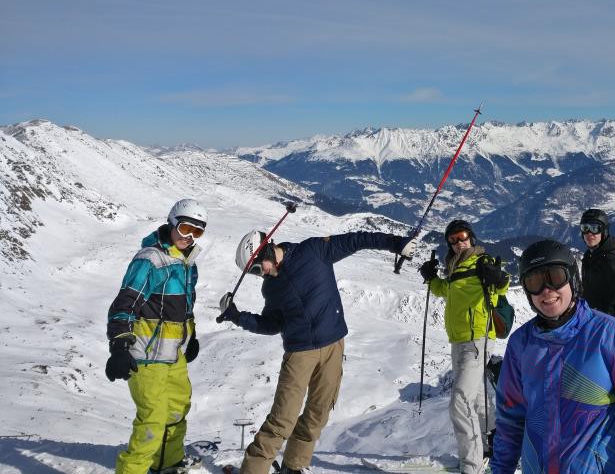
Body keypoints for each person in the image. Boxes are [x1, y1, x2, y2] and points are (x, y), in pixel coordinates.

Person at [218, 227, 418, 474]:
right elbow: (272, 325)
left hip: (333, 345)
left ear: (267, 248)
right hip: (299, 354)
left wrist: (397, 243)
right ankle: (253, 470)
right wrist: (238, 317)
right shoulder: (271, 288)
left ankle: (294, 466)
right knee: (283, 418)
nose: (262, 274)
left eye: (259, 267)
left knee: (318, 413)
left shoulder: (313, 251)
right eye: (255, 272)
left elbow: (358, 240)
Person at [491, 239, 615, 474]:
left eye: (555, 277)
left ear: (573, 279)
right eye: (535, 282)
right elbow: (509, 423)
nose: (547, 290)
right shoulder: (521, 345)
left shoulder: (612, 336)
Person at [106, 198, 209, 474]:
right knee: (152, 419)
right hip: (146, 354)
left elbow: (184, 308)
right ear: (172, 223)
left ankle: (167, 464)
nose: (189, 237)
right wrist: (118, 346)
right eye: (185, 228)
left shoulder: (187, 264)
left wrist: (192, 336)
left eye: (197, 232)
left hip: (173, 353)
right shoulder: (150, 259)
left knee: (177, 409)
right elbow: (125, 304)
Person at [418, 219, 509, 474]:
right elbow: (445, 291)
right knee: (477, 398)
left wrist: (498, 277)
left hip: (478, 340)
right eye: (453, 240)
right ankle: (492, 443)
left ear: (471, 237)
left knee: (460, 399)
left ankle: (472, 465)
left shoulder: (482, 262)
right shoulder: (455, 267)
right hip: (459, 341)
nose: (459, 243)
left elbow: (502, 283)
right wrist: (431, 278)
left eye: (462, 237)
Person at [578, 208, 615, 322]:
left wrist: (608, 322)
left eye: (595, 228)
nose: (589, 233)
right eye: (585, 228)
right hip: (590, 322)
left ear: (604, 231)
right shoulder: (590, 256)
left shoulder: (611, 260)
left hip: (604, 327)